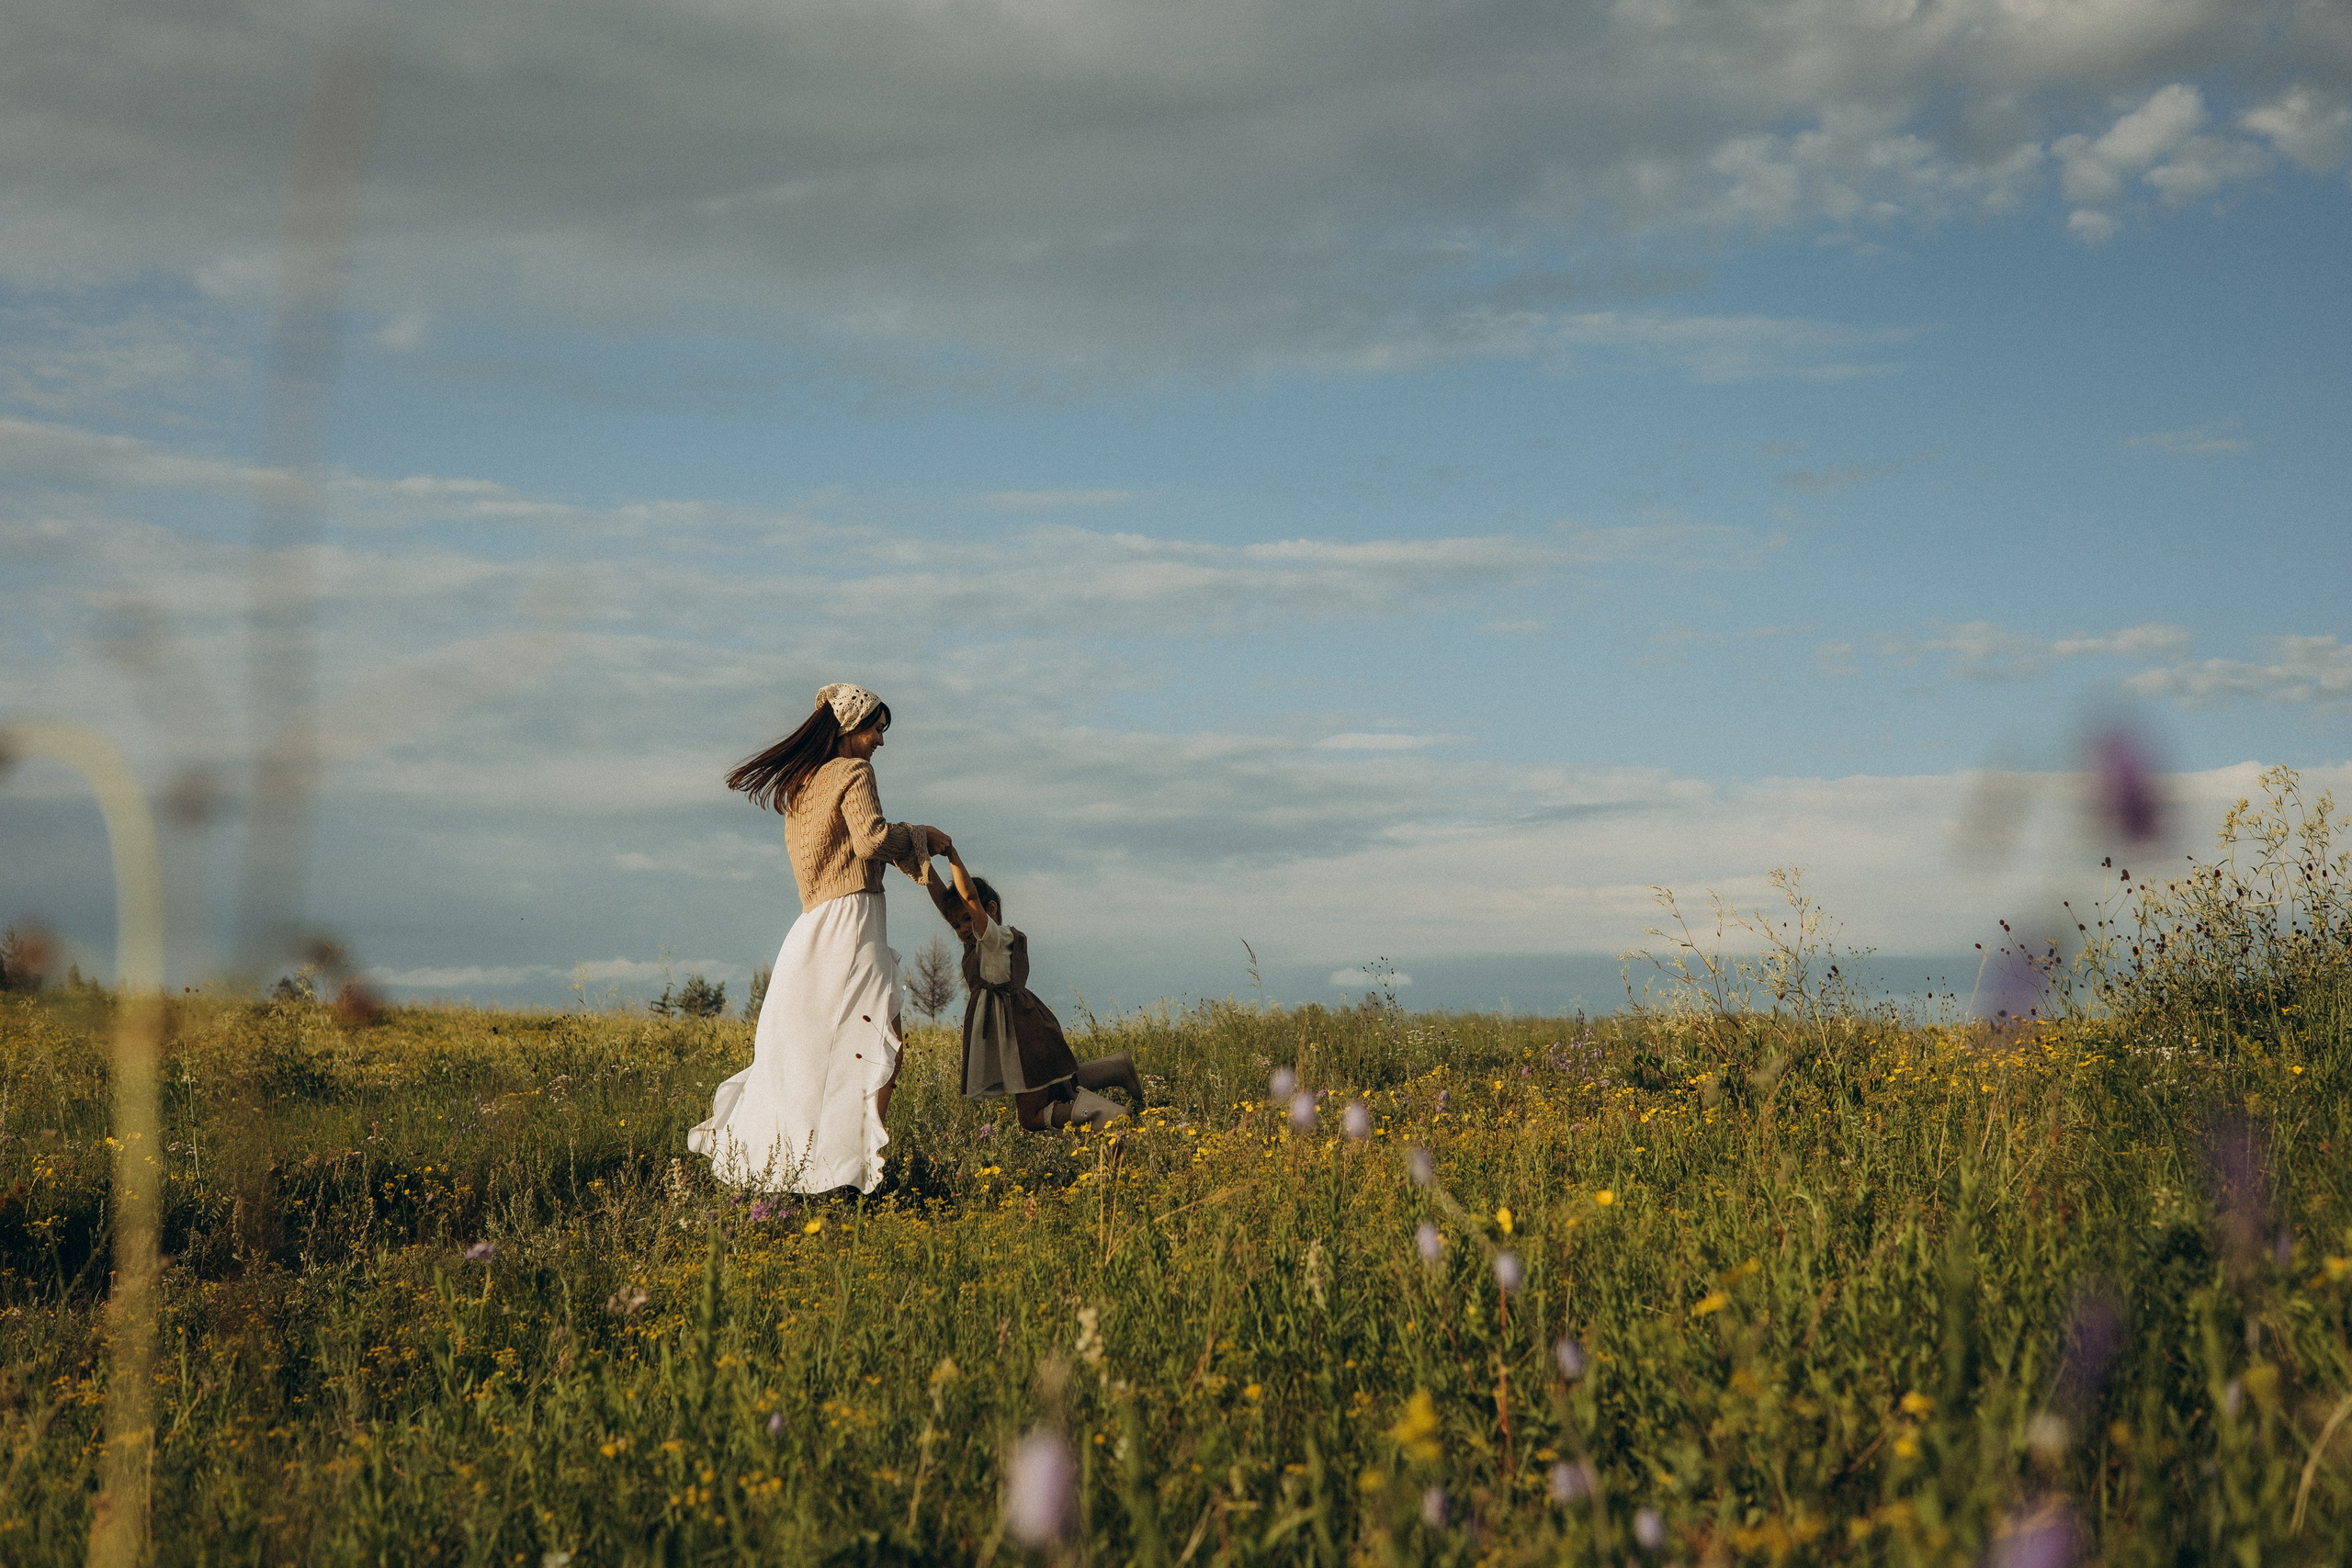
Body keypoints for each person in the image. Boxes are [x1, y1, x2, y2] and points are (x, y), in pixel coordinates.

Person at [688, 682, 948, 1193]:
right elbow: (871, 837)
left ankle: (803, 1166)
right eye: (876, 728)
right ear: (851, 727)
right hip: (854, 922)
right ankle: (856, 1168)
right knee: (881, 1042)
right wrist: (920, 836)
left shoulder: (803, 785)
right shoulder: (855, 772)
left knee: (814, 1051)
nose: (879, 740)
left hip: (814, 927)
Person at [926, 846, 1144, 1131]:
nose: (963, 929)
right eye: (956, 925)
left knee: (1031, 1116)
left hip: (1021, 1036)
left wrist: (951, 854)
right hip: (1022, 1031)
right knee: (1054, 1085)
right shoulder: (978, 946)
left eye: (968, 918)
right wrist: (920, 862)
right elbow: (946, 901)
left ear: (989, 909)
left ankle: (1105, 1114)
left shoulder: (992, 938)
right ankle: (1116, 1068)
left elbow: (968, 897)